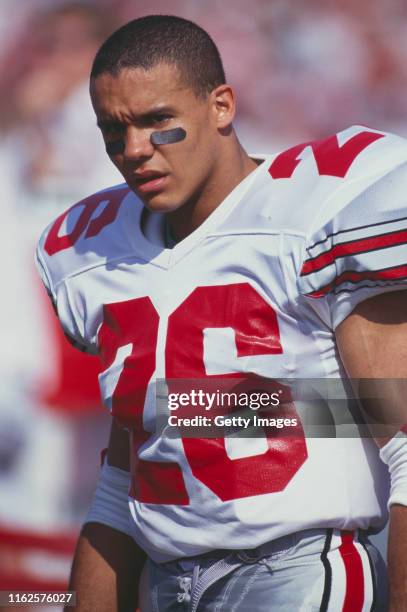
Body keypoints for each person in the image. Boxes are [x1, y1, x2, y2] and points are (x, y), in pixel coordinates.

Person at [36, 15, 407, 612]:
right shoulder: (94, 254)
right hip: (164, 580)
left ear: (221, 106)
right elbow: (123, 478)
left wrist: (241, 407)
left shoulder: (318, 209)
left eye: (159, 122)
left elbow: (401, 440)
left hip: (299, 573)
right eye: (114, 130)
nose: (134, 151)